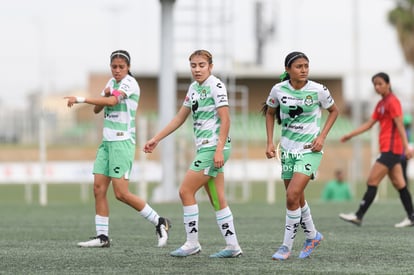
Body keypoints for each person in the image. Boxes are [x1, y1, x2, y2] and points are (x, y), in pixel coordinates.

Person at [64, 50, 171, 248]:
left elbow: (113, 101)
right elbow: (98, 109)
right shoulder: (111, 83)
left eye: (122, 67)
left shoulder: (129, 83)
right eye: (114, 67)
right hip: (106, 143)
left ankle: (159, 221)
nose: (117, 70)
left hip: (122, 142)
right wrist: (102, 95)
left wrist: (82, 99)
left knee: (121, 193)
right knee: (98, 188)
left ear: (128, 67)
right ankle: (102, 237)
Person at [143, 49, 242, 258]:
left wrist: (217, 150)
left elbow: (226, 119)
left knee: (185, 191)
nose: (197, 69)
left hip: (214, 148)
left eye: (201, 65)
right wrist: (156, 138)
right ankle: (233, 246)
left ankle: (192, 243)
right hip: (207, 148)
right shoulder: (193, 88)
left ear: (210, 67)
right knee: (218, 199)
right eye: (193, 65)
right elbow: (180, 118)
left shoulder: (216, 86)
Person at [263, 51, 339, 260]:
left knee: (291, 196)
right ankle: (313, 235)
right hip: (287, 150)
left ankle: (285, 247)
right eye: (299, 66)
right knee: (296, 197)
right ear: (288, 70)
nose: (304, 69)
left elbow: (334, 111)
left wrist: (322, 136)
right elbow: (270, 113)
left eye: (306, 65)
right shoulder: (278, 90)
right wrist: (270, 141)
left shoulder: (318, 90)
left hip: (310, 151)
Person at [339, 72, 414, 228]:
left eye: (380, 83)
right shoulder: (381, 104)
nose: (377, 87)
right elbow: (369, 124)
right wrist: (350, 134)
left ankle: (358, 215)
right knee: (400, 184)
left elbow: (400, 125)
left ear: (388, 84)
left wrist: (407, 147)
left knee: (372, 180)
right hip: (388, 149)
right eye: (375, 84)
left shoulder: (393, 101)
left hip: (391, 150)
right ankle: (412, 217)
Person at [400, 114, 412, 188]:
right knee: (403, 175)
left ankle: (404, 190)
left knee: (402, 175)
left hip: (402, 157)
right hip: (403, 156)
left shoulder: (405, 132)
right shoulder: (407, 132)